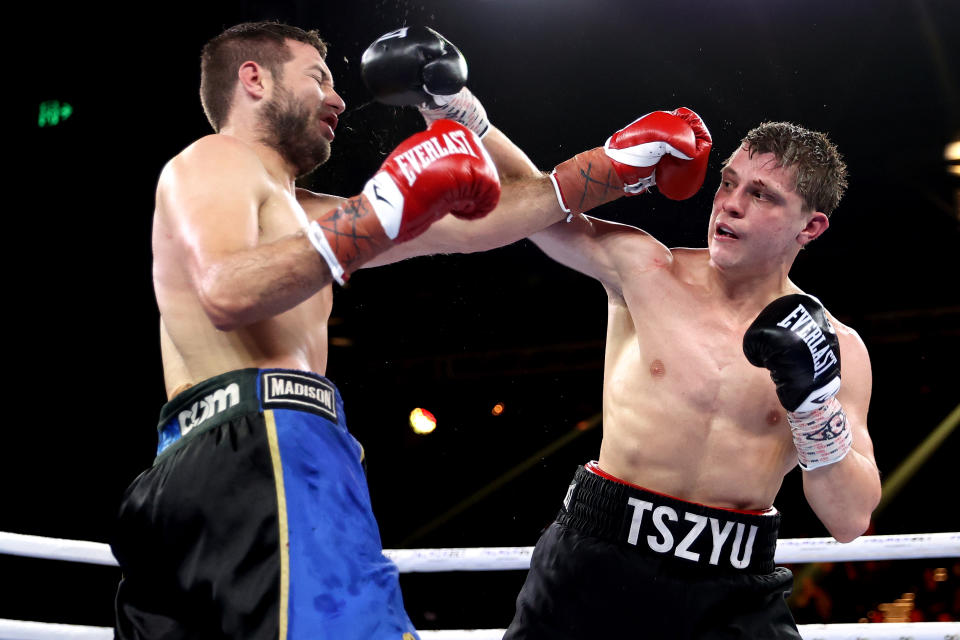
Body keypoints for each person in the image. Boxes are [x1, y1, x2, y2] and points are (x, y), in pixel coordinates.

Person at [375, 80, 881, 640]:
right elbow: (531, 204)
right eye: (728, 183)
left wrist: (813, 407)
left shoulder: (837, 346)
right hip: (595, 562)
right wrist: (452, 106)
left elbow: (849, 519)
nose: (730, 204)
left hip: (732, 590)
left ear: (809, 227)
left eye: (761, 195)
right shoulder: (646, 269)